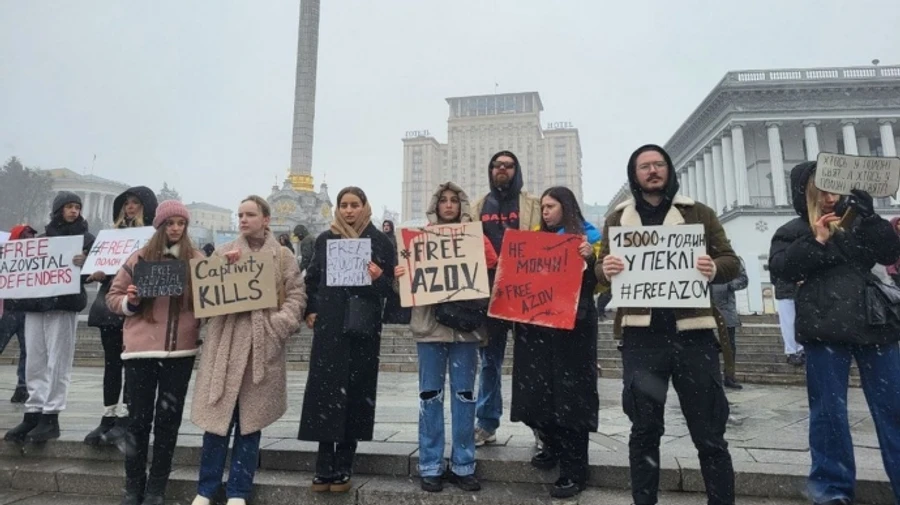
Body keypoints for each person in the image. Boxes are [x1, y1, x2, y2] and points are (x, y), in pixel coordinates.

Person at [598, 144, 739, 505]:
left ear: (669, 170)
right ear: (635, 175)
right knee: (644, 430)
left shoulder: (699, 213)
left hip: (694, 335)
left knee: (709, 432)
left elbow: (731, 261)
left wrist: (713, 267)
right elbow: (597, 273)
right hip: (641, 338)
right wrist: (604, 270)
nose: (652, 171)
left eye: (658, 164)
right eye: (644, 166)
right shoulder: (616, 220)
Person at [768, 162, 900, 505]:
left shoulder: (859, 223)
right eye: (822, 190)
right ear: (806, 192)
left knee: (893, 408)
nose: (830, 197)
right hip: (824, 326)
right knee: (829, 413)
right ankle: (832, 490)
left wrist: (870, 219)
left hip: (873, 323)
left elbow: (889, 253)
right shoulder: (793, 229)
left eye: (835, 189)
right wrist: (817, 241)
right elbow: (782, 269)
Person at [191, 196, 306, 505]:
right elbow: (203, 295)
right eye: (240, 214)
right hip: (225, 346)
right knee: (217, 422)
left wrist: (278, 326)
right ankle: (206, 488)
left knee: (249, 423)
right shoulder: (223, 252)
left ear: (265, 219)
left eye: (250, 214)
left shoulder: (282, 256)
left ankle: (239, 490)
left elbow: (296, 295)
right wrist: (221, 271)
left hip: (260, 344)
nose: (243, 219)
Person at [394, 182, 497, 493]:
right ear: (435, 206)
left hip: (466, 331)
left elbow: (493, 265)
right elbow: (406, 280)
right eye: (444, 201)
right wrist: (401, 273)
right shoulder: (418, 238)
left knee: (465, 398)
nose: (449, 205)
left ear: (462, 204)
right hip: (429, 327)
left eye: (454, 200)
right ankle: (430, 464)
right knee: (430, 398)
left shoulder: (475, 235)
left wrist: (475, 244)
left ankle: (464, 464)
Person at [106, 200, 203, 505]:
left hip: (180, 352)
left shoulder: (197, 260)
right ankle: (133, 486)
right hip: (140, 352)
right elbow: (113, 296)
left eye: (181, 223)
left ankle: (157, 487)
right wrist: (131, 302)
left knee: (168, 421)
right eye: (170, 223)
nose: (176, 228)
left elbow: (212, 298)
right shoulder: (139, 258)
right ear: (160, 226)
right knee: (138, 420)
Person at [299, 187, 395, 493]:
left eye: (355, 205)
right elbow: (312, 279)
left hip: (363, 327)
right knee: (325, 392)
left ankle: (345, 461)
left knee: (356, 391)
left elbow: (393, 288)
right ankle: (323, 461)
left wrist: (380, 277)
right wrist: (311, 309)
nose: (349, 210)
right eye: (344, 205)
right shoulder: (326, 240)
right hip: (330, 326)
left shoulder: (379, 240)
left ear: (365, 207)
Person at [513, 186, 600, 499]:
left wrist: (591, 260)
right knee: (536, 395)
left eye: (551, 206)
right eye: (543, 206)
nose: (545, 211)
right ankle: (549, 443)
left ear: (566, 207)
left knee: (572, 400)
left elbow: (600, 282)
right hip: (537, 332)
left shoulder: (590, 238)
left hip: (573, 331)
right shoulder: (532, 239)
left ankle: (575, 469)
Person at [3, 192, 94, 444]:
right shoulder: (41, 240)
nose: (74, 211)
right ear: (58, 210)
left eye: (77, 207)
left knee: (59, 361)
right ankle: (33, 412)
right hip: (35, 305)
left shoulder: (86, 239)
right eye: (69, 207)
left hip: (64, 305)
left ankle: (51, 416)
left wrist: (85, 264)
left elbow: (99, 271)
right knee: (35, 359)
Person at [471, 150, 541, 447]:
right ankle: (486, 423)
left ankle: (540, 427)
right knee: (489, 363)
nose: (502, 169)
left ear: (517, 170)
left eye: (508, 165)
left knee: (533, 362)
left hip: (528, 295)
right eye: (497, 165)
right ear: (490, 170)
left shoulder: (534, 205)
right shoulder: (477, 207)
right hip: (489, 297)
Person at [84, 186, 158, 447]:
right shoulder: (110, 236)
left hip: (136, 306)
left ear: (146, 207)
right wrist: (94, 273)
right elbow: (89, 270)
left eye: (136, 202)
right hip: (109, 307)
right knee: (112, 365)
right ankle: (109, 415)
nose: (130, 207)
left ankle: (127, 416)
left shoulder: (152, 238)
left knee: (132, 366)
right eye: (127, 203)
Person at [0, 225, 37, 403]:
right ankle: (22, 386)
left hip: (25, 310)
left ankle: (23, 387)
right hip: (7, 310)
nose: (28, 239)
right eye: (25, 236)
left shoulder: (36, 260)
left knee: (28, 351)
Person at [711, 258, 748, 389]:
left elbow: (743, 280)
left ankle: (729, 376)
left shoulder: (732, 259)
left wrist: (729, 285)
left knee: (729, 345)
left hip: (726, 308)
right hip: (707, 306)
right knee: (709, 344)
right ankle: (711, 375)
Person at [382, 219, 411, 325]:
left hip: (397, 270)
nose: (386, 227)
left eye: (388, 225)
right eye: (384, 225)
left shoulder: (395, 239)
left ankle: (401, 318)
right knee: (391, 297)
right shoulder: (380, 238)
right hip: (386, 272)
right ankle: (390, 318)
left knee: (398, 295)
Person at [774, 276, 804, 366]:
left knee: (798, 322)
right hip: (786, 291)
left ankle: (799, 349)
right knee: (789, 323)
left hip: (797, 291)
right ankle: (792, 351)